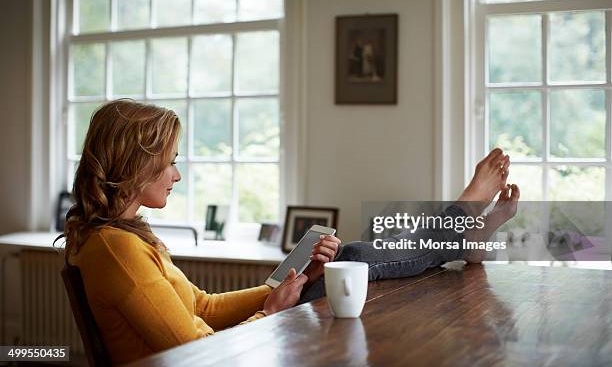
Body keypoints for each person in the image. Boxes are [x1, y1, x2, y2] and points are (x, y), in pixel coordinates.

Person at [58, 100, 518, 365]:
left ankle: (466, 228)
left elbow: (201, 307)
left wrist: (281, 289)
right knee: (353, 259)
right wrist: (271, 313)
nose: (176, 175)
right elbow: (195, 354)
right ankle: (465, 221)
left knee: (342, 263)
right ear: (137, 162)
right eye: (171, 160)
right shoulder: (116, 249)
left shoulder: (116, 240)